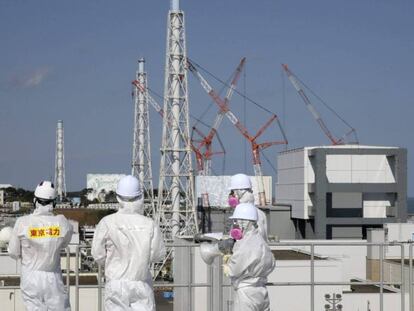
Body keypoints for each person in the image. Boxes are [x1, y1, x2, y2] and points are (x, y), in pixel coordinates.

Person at [92, 175, 166, 311]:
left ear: (118, 197)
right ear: (140, 197)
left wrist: (112, 264)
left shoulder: (107, 222)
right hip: (141, 283)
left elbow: (98, 255)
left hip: (115, 284)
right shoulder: (150, 224)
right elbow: (157, 255)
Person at [8, 181, 73, 311]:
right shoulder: (62, 223)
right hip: (53, 277)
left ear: (34, 201)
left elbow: (13, 252)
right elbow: (65, 243)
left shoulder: (22, 223)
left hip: (30, 277)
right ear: (54, 202)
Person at [224, 202, 275, 311]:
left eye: (236, 221)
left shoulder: (245, 245)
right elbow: (272, 264)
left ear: (243, 222)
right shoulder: (262, 242)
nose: (235, 225)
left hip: (245, 293)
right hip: (262, 292)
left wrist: (227, 260)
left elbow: (233, 270)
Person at [228, 173, 269, 241]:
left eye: (233, 192)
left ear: (240, 191)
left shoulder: (244, 211)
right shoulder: (258, 213)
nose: (232, 195)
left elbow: (241, 232)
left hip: (247, 245)